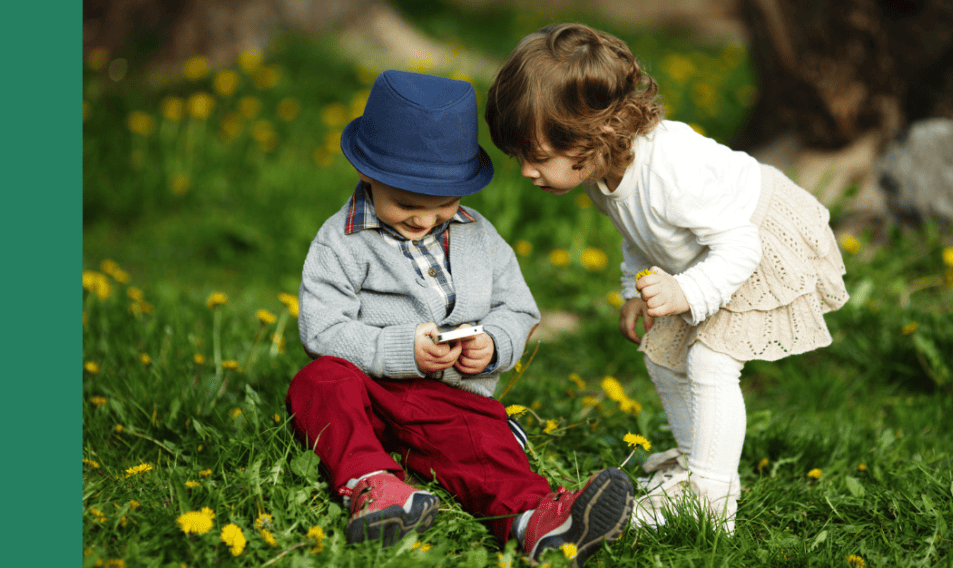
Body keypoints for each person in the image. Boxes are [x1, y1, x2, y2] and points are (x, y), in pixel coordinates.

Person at [485, 24, 849, 534]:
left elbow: (741, 244)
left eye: (537, 157)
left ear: (590, 137)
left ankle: (712, 497)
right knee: (665, 355)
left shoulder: (671, 171)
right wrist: (636, 288)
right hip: (710, 257)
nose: (525, 170)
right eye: (519, 157)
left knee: (710, 361)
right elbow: (637, 233)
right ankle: (691, 461)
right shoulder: (601, 170)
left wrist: (686, 291)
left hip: (758, 238)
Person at [287, 69, 633, 564]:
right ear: (367, 173)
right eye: (406, 205)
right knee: (318, 384)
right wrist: (401, 349)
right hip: (368, 387)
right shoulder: (339, 242)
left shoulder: (481, 237)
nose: (424, 220)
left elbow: (518, 308)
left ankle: (536, 521)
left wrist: (492, 343)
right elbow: (321, 328)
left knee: (481, 441)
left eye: (445, 205)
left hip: (446, 398)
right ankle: (376, 487)